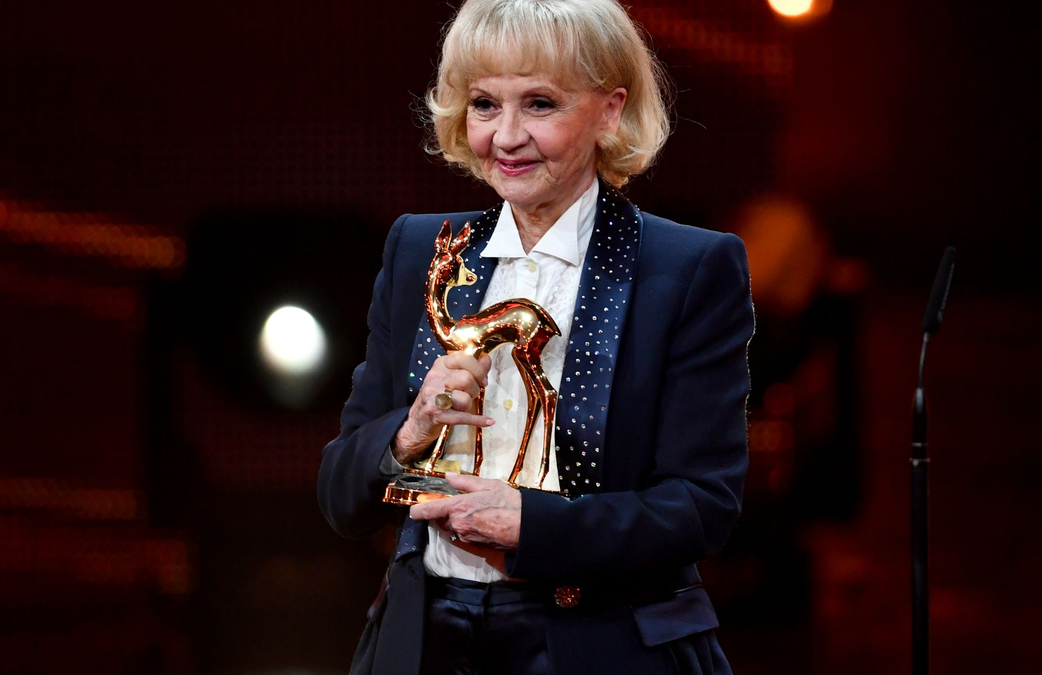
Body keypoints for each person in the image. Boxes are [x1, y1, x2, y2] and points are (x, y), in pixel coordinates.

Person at [317, 1, 754, 673]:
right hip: (426, 640)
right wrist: (408, 433)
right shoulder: (421, 249)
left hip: (595, 643)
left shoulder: (687, 268)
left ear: (609, 111)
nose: (506, 136)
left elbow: (701, 506)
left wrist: (535, 525)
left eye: (540, 104)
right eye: (485, 105)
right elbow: (340, 495)